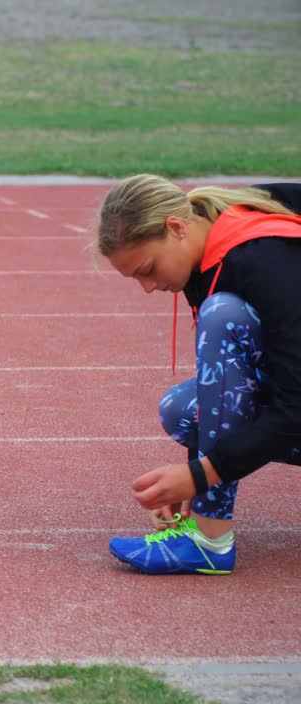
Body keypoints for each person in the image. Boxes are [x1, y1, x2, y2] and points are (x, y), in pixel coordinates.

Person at [95, 174, 301, 574]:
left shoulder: (263, 258)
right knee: (182, 409)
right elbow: (223, 392)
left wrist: (201, 475)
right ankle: (204, 530)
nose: (148, 288)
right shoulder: (212, 243)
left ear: (175, 227)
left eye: (148, 269)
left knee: (222, 314)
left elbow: (295, 407)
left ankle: (210, 541)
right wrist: (199, 474)